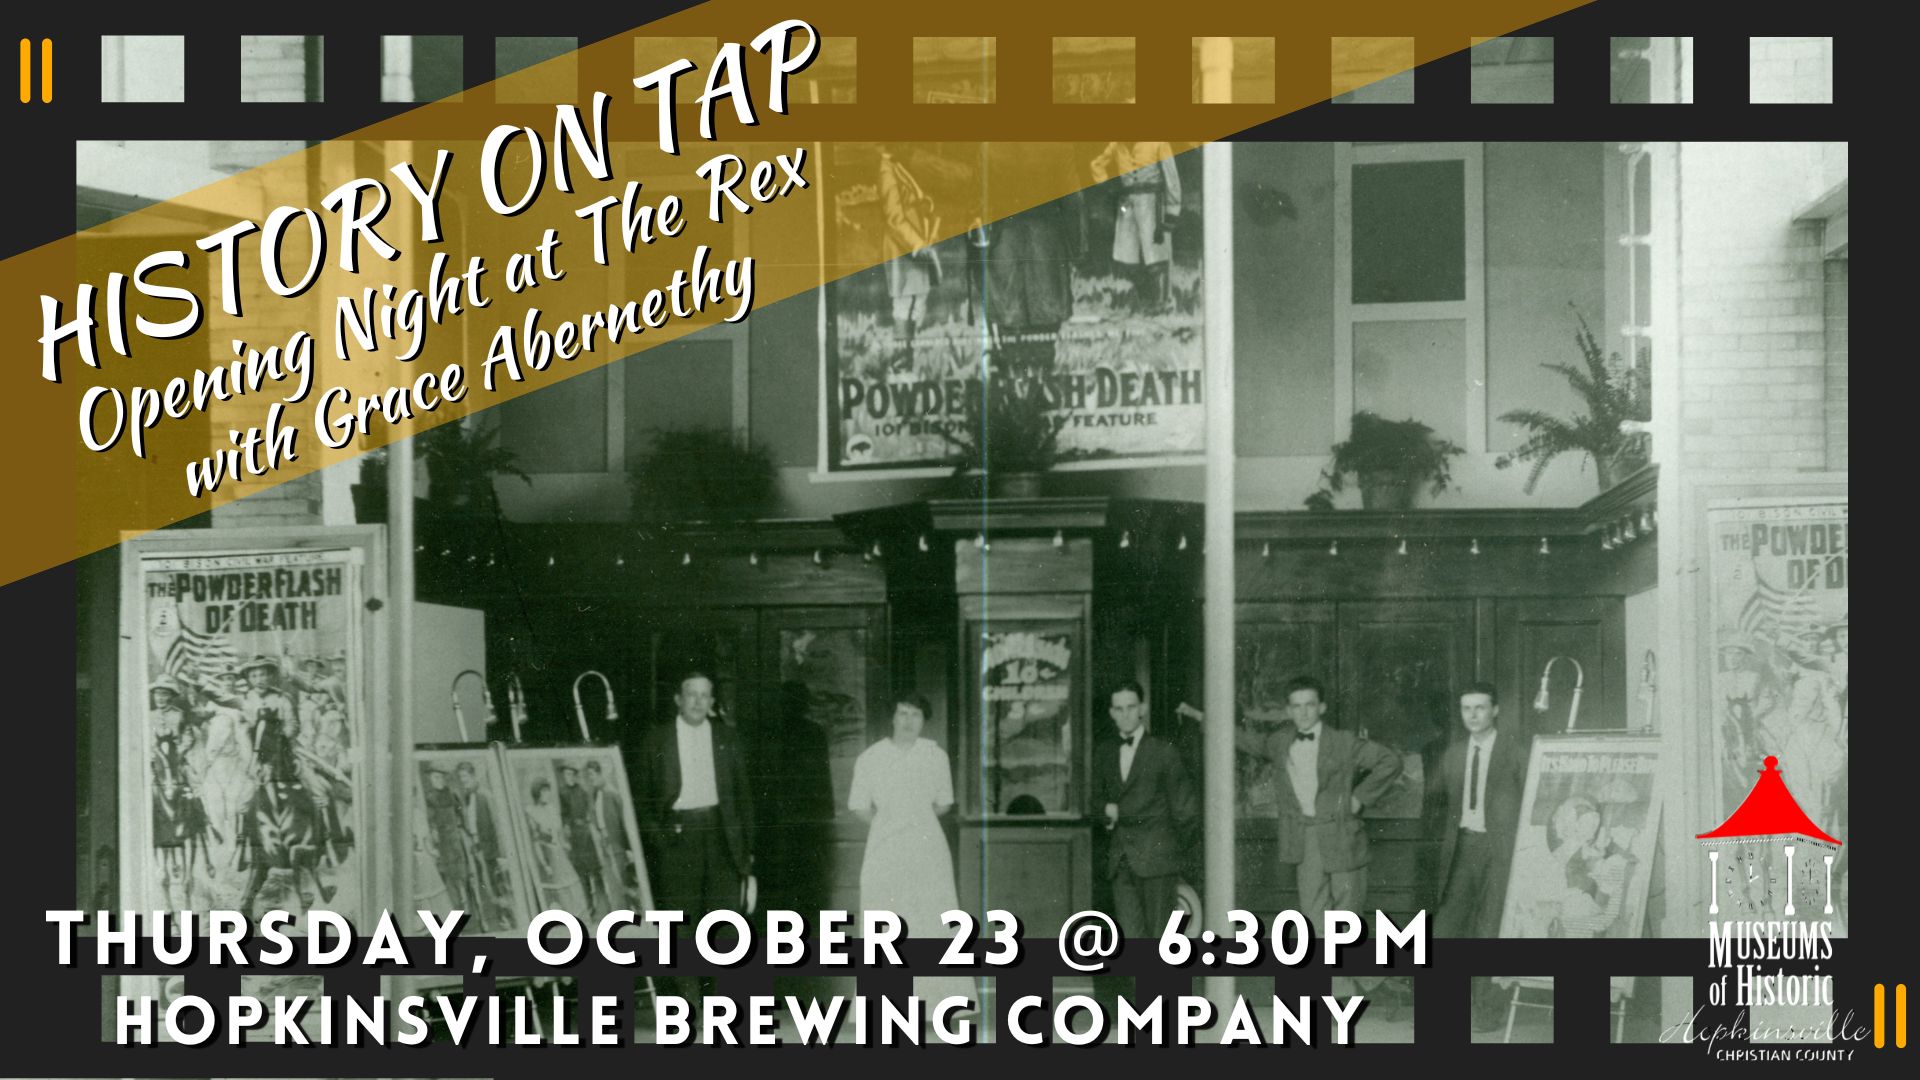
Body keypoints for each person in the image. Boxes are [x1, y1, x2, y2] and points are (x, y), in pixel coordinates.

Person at [1202, 675, 1402, 928]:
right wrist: (1204, 720)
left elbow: (1390, 761)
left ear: (1322, 707)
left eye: (1309, 705)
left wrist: (1358, 798)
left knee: (1348, 919)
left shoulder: (1343, 741)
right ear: (1288, 711)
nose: (1303, 712)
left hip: (1343, 836)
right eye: (1296, 706)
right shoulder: (1280, 742)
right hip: (1305, 839)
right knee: (1313, 916)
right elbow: (1248, 742)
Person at [848, 695, 973, 1008]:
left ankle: (938, 1001)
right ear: (892, 717)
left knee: (930, 916)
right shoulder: (871, 757)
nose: (907, 721)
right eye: (902, 713)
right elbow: (857, 804)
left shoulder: (935, 756)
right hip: (885, 847)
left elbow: (944, 802)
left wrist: (915, 818)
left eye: (915, 715)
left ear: (923, 720)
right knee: (885, 915)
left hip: (926, 845)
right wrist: (888, 822)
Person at [1432, 682, 1530, 1029]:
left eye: (1480, 708)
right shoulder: (1454, 754)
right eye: (1466, 709)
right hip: (1462, 847)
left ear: (1495, 710)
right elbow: (1441, 805)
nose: (1472, 716)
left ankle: (1488, 1013)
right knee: (1445, 928)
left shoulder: (1516, 751)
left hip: (1500, 850)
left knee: (1492, 929)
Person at [636, 671, 754, 919]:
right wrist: (659, 840)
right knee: (679, 919)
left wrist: (746, 847)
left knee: (724, 922)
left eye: (704, 696)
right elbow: (641, 801)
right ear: (678, 699)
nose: (698, 702)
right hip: (677, 837)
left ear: (712, 702)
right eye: (691, 695)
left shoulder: (728, 738)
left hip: (721, 835)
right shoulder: (656, 740)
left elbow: (743, 796)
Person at [1092, 681, 1196, 940]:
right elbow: (1091, 800)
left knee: (1162, 938)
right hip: (1121, 862)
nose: (1125, 714)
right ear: (1112, 713)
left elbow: (1186, 812)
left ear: (1143, 709)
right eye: (1119, 709)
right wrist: (1105, 809)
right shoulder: (1104, 752)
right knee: (1132, 939)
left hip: (1158, 860)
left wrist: (1172, 852)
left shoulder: (1164, 752)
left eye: (1131, 707)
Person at [1090, 137, 1182, 312]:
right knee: (1127, 256)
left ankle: (1161, 301)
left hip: (1152, 204)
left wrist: (1172, 209)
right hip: (1127, 205)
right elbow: (1097, 164)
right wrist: (1106, 185)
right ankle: (1144, 299)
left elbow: (1171, 177)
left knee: (1156, 256)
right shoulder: (1117, 143)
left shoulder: (1158, 141)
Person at [524, 777, 589, 921]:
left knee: (572, 884)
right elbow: (536, 841)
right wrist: (545, 864)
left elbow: (557, 833)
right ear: (537, 793)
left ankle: (579, 918)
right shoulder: (532, 813)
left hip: (559, 853)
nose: (547, 794)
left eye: (548, 791)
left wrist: (563, 843)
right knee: (558, 889)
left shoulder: (551, 809)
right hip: (547, 855)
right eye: (544, 791)